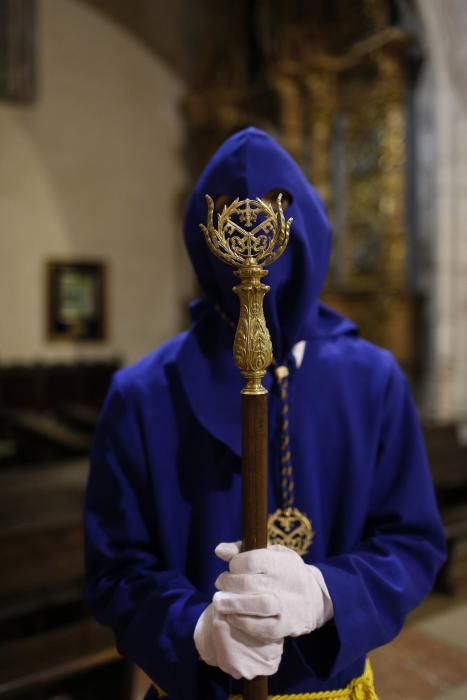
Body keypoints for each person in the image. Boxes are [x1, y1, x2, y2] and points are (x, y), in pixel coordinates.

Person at [84, 127, 446, 700]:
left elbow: (413, 541)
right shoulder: (142, 394)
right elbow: (115, 567)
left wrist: (329, 593)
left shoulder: (372, 380)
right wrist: (194, 630)